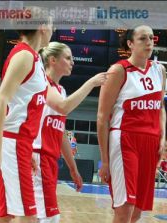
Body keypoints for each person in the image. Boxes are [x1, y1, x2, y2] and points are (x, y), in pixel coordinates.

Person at [0, 17, 107, 222]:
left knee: (3, 214)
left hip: (21, 144)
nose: (54, 28)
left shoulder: (34, 61)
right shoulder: (24, 55)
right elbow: (1, 99)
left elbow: (57, 108)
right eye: (51, 23)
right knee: (30, 217)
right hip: (14, 142)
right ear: (41, 27)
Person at [97, 25, 167, 223]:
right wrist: (105, 160)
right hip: (125, 139)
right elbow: (102, 117)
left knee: (138, 210)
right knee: (124, 208)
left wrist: (163, 137)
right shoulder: (118, 70)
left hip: (151, 142)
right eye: (143, 38)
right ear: (130, 44)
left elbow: (160, 107)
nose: (149, 42)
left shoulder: (159, 70)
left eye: (151, 38)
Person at [32, 41, 108, 222]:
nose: (72, 62)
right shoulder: (41, 84)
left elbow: (61, 134)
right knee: (47, 217)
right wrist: (91, 83)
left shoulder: (61, 90)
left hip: (50, 160)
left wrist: (73, 169)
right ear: (52, 60)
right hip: (36, 156)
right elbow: (64, 108)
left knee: (41, 217)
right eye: (68, 58)